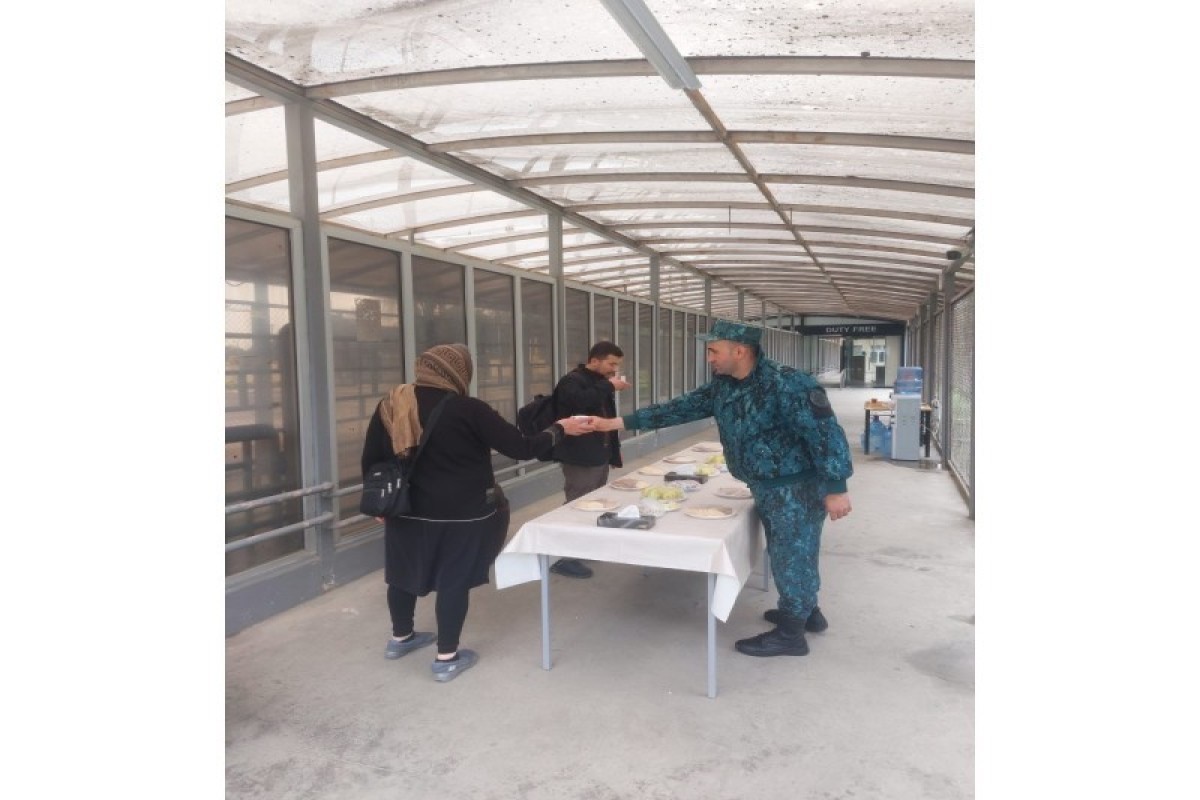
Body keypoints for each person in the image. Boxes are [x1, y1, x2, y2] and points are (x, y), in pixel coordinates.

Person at [590, 321, 854, 658]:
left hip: (796, 486)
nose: (709, 357)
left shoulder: (788, 384)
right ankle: (807, 613)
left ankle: (791, 634)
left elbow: (826, 434)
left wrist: (836, 488)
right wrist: (617, 423)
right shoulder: (724, 386)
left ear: (739, 351)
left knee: (792, 554)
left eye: (714, 350)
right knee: (789, 552)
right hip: (765, 485)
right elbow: (680, 408)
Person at [360, 343, 592, 682]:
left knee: (402, 573)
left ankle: (401, 638)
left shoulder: (392, 403)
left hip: (404, 508)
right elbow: (521, 447)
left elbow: (372, 457)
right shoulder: (468, 409)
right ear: (459, 372)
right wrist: (559, 429)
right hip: (461, 512)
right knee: (453, 579)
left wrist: (378, 503)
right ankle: (446, 658)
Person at [547, 341, 632, 578]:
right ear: (594, 360)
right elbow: (579, 403)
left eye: (617, 365)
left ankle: (583, 545)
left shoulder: (599, 382)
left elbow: (607, 419)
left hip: (599, 454)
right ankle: (562, 558)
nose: (614, 369)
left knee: (595, 503)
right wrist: (609, 385)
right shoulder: (571, 381)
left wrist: (613, 450)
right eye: (611, 364)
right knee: (577, 504)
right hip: (579, 457)